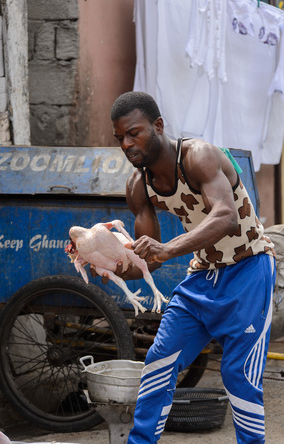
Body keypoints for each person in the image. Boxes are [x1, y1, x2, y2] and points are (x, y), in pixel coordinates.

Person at [108, 91, 276, 443]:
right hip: (203, 276)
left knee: (237, 373)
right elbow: (147, 261)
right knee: (159, 360)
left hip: (250, 267)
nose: (126, 144)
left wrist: (167, 249)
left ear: (157, 126)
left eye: (133, 133)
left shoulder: (198, 156)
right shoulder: (139, 186)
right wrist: (112, 267)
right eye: (119, 137)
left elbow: (226, 217)